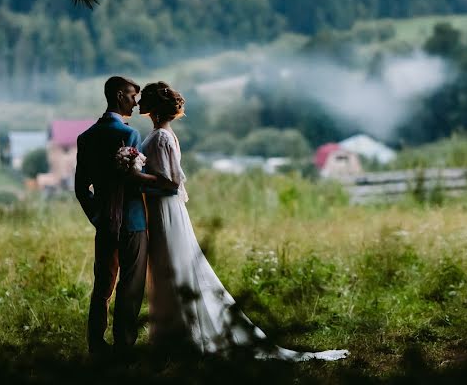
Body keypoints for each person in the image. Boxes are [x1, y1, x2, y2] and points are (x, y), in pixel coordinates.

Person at [138, 81, 349, 361]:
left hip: (165, 209)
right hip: (160, 208)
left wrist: (135, 177)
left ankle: (183, 335)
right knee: (168, 268)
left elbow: (172, 182)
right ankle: (173, 334)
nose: (139, 101)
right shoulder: (161, 135)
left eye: (144, 98)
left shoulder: (162, 137)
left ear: (153, 105)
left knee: (172, 266)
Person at [75, 76, 176, 362]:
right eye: (133, 95)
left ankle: (96, 343)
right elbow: (134, 183)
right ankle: (124, 346)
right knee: (130, 285)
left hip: (105, 223)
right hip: (132, 222)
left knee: (103, 285)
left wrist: (97, 215)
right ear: (120, 96)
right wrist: (165, 184)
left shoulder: (86, 137)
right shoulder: (128, 136)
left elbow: (81, 188)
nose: (136, 101)